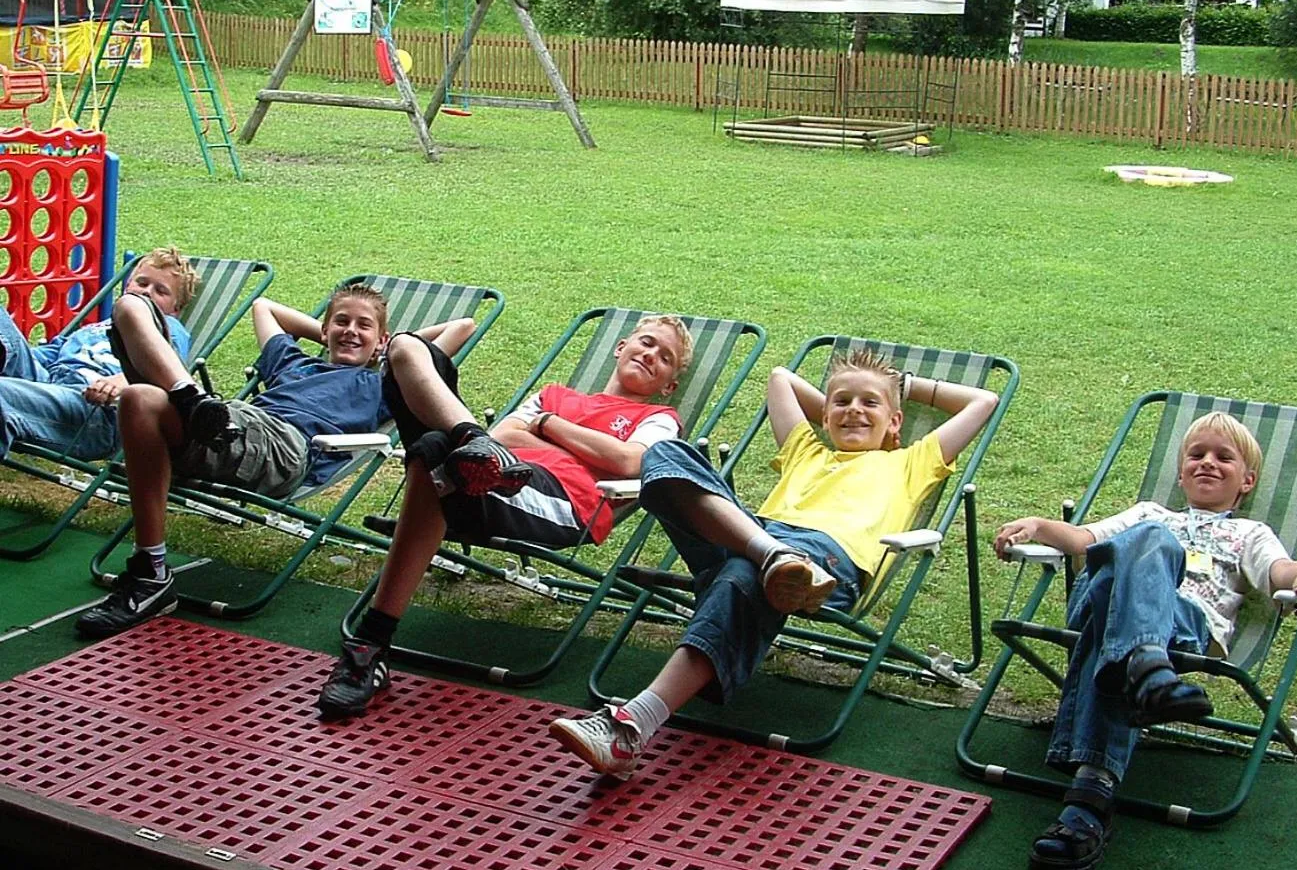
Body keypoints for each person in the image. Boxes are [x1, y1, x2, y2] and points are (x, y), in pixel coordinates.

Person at [548, 347, 999, 780]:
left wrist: (901, 385)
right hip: (754, 535)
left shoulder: (911, 462)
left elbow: (985, 400)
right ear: (824, 415)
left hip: (824, 562)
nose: (853, 410)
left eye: (870, 405)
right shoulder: (807, 449)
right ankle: (770, 556)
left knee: (744, 574)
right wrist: (840, 408)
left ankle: (630, 725)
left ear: (895, 420)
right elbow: (780, 378)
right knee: (666, 453)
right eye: (841, 402)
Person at [989, 411, 1297, 870]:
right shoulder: (1152, 513)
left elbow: (1281, 571)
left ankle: (1090, 798)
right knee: (1144, 540)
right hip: (1105, 603)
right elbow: (1084, 540)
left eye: (1223, 458)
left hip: (1186, 622)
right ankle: (1148, 667)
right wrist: (1037, 524)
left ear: (1247, 481)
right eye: (1197, 454)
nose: (1207, 462)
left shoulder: (1250, 533)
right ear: (1181, 471)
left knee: (1117, 625)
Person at [316, 315, 695, 721]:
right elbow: (504, 435)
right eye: (647, 343)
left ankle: (370, 646)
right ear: (622, 346)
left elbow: (625, 460)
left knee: (434, 452)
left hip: (561, 501)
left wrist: (548, 425)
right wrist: (581, 451)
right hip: (494, 470)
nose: (651, 354)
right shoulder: (555, 393)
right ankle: (470, 440)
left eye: (665, 357)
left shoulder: (658, 419)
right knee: (406, 347)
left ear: (669, 385)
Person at [73, 282, 476, 639]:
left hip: (284, 446)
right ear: (324, 330)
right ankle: (151, 572)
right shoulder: (292, 362)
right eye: (340, 321)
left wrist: (387, 349)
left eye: (363, 325)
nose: (350, 330)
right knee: (134, 359)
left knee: (145, 392)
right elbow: (265, 306)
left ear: (384, 340)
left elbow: (462, 326)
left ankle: (189, 400)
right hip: (232, 424)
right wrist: (328, 333)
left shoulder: (385, 382)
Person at [0, 247, 197, 461]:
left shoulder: (168, 326)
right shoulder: (94, 329)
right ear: (127, 286)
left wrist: (126, 380)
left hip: (96, 410)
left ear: (176, 309)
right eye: (142, 283)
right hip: (52, 385)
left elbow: (172, 372)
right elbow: (42, 356)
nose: (147, 292)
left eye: (161, 291)